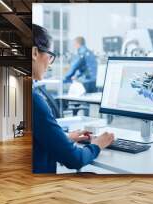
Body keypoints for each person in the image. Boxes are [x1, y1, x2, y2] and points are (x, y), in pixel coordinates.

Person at [32, 24, 114, 173]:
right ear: (34, 53)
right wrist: (97, 144)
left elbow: (38, 139)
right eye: (50, 56)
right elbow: (75, 159)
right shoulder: (35, 101)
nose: (50, 65)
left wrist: (64, 138)